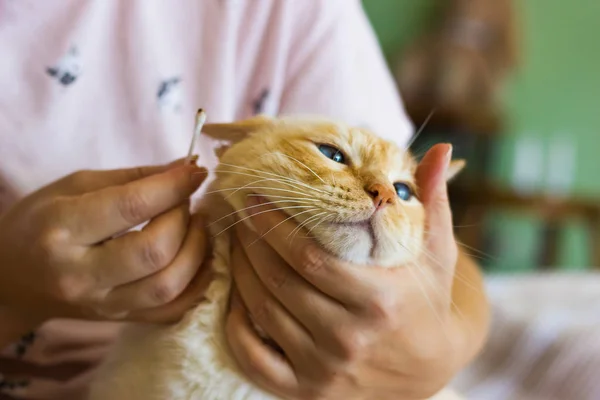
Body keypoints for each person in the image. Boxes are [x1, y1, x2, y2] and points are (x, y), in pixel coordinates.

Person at [0, 0, 490, 399]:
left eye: (401, 190)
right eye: (335, 155)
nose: (382, 193)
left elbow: (451, 272)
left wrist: (439, 352)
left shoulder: (294, 13)